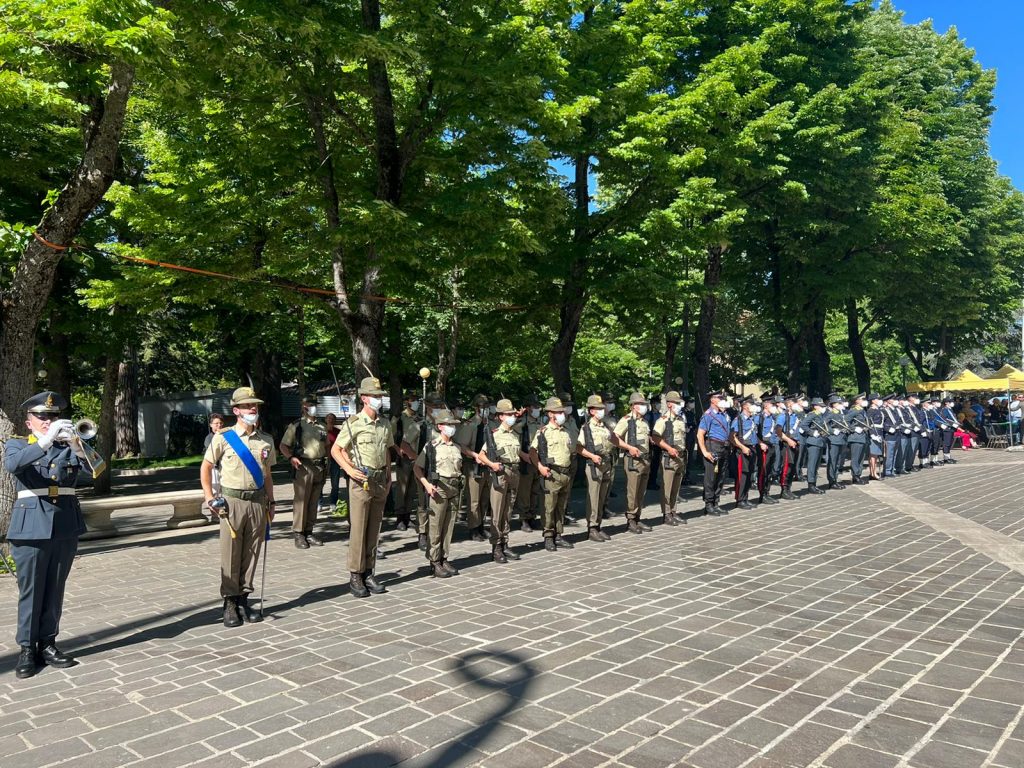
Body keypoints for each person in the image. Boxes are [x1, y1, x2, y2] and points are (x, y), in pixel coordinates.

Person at [5, 391, 88, 678]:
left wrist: (78, 446)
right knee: (31, 591)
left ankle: (48, 643)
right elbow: (13, 466)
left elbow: (97, 469)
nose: (48, 421)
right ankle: (27, 648)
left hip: (64, 526)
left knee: (55, 589)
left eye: (53, 416)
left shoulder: (68, 447)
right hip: (31, 528)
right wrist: (47, 439)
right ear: (29, 422)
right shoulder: (17, 445)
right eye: (42, 417)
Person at [200, 386, 277, 627]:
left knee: (252, 552)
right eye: (247, 406)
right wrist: (209, 497)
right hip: (232, 503)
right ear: (236, 410)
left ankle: (244, 598)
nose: (252, 409)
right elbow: (206, 467)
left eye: (254, 405)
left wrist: (272, 501)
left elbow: (267, 475)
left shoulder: (266, 440)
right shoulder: (224, 437)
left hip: (257, 501)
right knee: (231, 553)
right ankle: (230, 602)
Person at [332, 375, 394, 599]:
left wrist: (388, 478)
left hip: (379, 479)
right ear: (364, 398)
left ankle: (369, 571)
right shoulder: (354, 424)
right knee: (359, 529)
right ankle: (356, 575)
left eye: (380, 396)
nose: (379, 399)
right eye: (375, 396)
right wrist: (349, 471)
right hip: (361, 480)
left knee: (374, 529)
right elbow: (336, 450)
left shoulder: (385, 424)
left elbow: (387, 451)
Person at [414, 409, 464, 577]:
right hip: (438, 488)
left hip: (454, 487)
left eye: (453, 425)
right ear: (440, 426)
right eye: (449, 425)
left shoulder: (456, 447)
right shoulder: (431, 446)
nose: (452, 428)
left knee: (448, 526)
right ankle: (434, 561)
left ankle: (444, 558)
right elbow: (417, 468)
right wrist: (426, 485)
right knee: (435, 526)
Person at [477, 399, 524, 563]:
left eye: (513, 414)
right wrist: (492, 465)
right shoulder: (494, 434)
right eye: (509, 414)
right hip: (500, 473)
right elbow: (481, 456)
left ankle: (505, 543)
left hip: (514, 472)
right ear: (501, 416)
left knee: (508, 510)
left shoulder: (514, 434)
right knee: (497, 512)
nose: (512, 417)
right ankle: (496, 547)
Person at [279, 395, 329, 549]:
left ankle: (309, 531)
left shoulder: (322, 426)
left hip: (319, 466)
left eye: (315, 404)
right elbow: (283, 446)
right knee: (302, 501)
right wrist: (291, 458)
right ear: (304, 407)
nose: (313, 407)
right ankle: (299, 533)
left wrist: (328, 462)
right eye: (310, 404)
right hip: (303, 466)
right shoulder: (297, 426)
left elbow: (326, 446)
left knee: (314, 501)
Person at [531, 397, 576, 551]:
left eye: (562, 412)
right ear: (550, 414)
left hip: (565, 473)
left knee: (561, 506)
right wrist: (540, 467)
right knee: (549, 507)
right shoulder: (543, 432)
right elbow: (532, 452)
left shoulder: (565, 432)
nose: (562, 414)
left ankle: (559, 534)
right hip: (551, 473)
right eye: (558, 412)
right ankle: (548, 535)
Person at [576, 394, 616, 542]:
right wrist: (592, 456)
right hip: (594, 465)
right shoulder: (586, 428)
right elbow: (579, 447)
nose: (602, 410)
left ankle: (598, 525)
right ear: (591, 411)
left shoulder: (605, 425)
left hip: (607, 462)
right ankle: (592, 528)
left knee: (602, 496)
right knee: (593, 497)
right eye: (598, 409)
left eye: (602, 408)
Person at [614, 392, 652, 533]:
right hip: (633, 460)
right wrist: (629, 447)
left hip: (645, 459)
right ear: (634, 406)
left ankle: (637, 517)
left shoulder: (644, 421)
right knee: (633, 491)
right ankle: (630, 519)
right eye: (641, 404)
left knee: (641, 491)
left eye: (644, 404)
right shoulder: (626, 420)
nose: (644, 406)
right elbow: (614, 438)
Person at [456, 394, 492, 542]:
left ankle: (481, 525)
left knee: (484, 498)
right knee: (474, 500)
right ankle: (473, 528)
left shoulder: (490, 424)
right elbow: (462, 446)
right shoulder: (470, 424)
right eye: (482, 407)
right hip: (473, 465)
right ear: (476, 408)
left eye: (487, 407)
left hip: (487, 466)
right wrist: (475, 455)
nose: (485, 410)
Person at [652, 391, 688, 524]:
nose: (680, 405)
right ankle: (666, 513)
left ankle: (673, 510)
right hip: (669, 457)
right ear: (669, 405)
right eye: (677, 403)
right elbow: (655, 437)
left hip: (680, 456)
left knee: (676, 487)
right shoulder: (663, 420)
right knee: (667, 487)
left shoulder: (680, 419)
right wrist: (668, 448)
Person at [393, 392, 424, 532]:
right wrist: (397, 449)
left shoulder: (419, 418)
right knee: (402, 489)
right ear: (407, 402)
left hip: (417, 457)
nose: (416, 402)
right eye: (413, 400)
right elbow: (391, 438)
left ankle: (407, 516)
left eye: (417, 400)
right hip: (404, 457)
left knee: (412, 489)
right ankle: (400, 518)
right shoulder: (399, 418)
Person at [696, 391, 731, 515]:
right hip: (713, 446)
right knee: (711, 477)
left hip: (724, 447)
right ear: (713, 400)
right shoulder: (708, 415)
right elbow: (700, 434)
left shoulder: (724, 414)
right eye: (719, 397)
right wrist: (704, 451)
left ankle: (716, 502)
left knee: (720, 477)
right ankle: (709, 504)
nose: (722, 399)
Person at [514, 395, 544, 532]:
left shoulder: (540, 423)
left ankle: (532, 516)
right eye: (534, 407)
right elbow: (514, 444)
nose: (538, 409)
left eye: (538, 407)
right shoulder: (520, 425)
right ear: (528, 408)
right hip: (526, 461)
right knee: (524, 492)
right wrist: (523, 455)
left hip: (538, 460)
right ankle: (524, 518)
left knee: (535, 490)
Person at [730, 396, 760, 510]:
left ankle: (745, 498)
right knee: (742, 475)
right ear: (745, 406)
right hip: (743, 450)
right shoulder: (739, 420)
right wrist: (742, 447)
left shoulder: (751, 419)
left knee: (748, 475)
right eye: (751, 404)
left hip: (751, 449)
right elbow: (732, 437)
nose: (753, 406)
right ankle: (740, 499)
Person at [799, 398, 828, 494]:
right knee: (812, 464)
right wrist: (811, 432)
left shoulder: (821, 415)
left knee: (816, 465)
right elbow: (803, 425)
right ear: (815, 406)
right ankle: (811, 484)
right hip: (813, 442)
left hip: (820, 441)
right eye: (820, 406)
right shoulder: (812, 415)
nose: (822, 408)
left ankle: (814, 483)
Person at [775, 395, 801, 499]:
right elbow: (778, 431)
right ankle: (784, 489)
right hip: (787, 443)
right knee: (786, 467)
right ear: (790, 404)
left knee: (792, 467)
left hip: (795, 442)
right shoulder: (782, 416)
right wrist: (788, 440)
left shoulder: (794, 415)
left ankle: (788, 487)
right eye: (795, 403)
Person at [823, 395, 848, 490]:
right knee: (833, 461)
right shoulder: (830, 414)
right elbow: (824, 425)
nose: (841, 405)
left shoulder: (841, 414)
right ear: (833, 404)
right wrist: (832, 431)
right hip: (833, 440)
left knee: (838, 461)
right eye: (839, 403)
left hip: (841, 439)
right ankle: (831, 480)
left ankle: (835, 479)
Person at [324, 412, 342, 506]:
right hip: (323, 459)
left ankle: (333, 502)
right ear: (325, 419)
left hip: (335, 459)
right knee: (320, 482)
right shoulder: (321, 430)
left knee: (335, 483)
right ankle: (319, 501)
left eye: (332, 418)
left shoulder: (338, 432)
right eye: (329, 418)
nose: (330, 420)